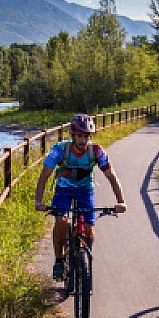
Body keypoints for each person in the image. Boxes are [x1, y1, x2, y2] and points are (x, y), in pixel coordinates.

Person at [34, 113, 127, 280]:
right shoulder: (60, 150)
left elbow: (111, 176)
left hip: (85, 190)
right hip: (63, 190)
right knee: (61, 221)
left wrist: (121, 201)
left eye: (86, 136)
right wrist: (38, 201)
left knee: (89, 230)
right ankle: (59, 260)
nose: (83, 140)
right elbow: (44, 176)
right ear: (73, 135)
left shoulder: (96, 151)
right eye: (79, 136)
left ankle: (83, 255)